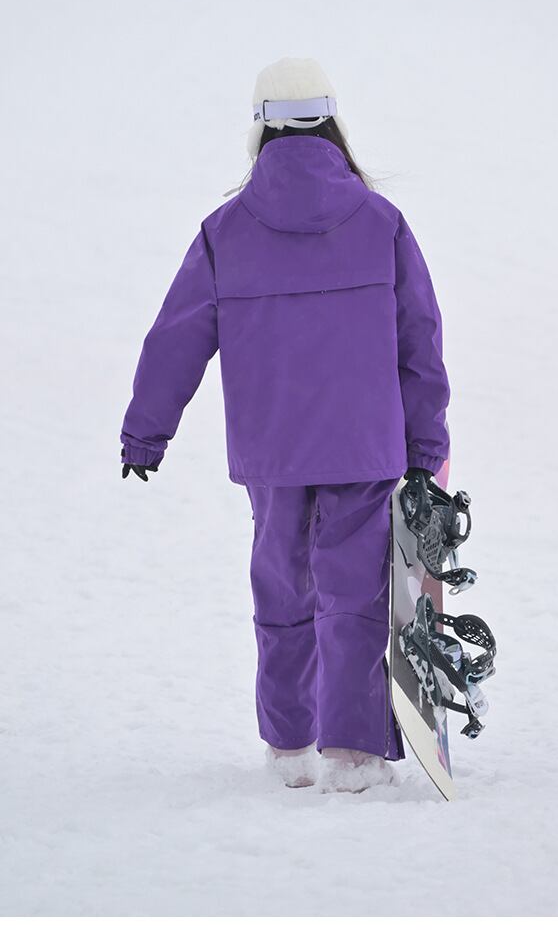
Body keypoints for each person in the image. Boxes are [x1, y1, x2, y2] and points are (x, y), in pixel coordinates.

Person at [120, 57, 451, 793]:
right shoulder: (382, 224)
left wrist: (146, 432)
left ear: (260, 127)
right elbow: (419, 340)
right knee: (354, 593)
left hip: (271, 450)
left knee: (281, 589)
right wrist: (427, 444)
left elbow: (176, 336)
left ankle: (290, 745)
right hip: (364, 445)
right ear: (333, 122)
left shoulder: (225, 231)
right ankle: (354, 755)